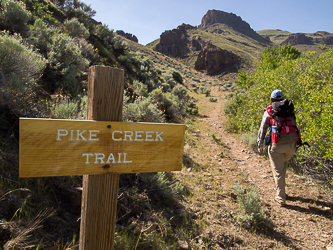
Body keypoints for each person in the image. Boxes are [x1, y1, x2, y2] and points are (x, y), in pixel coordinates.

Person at [257, 89, 299, 207]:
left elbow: (263, 130)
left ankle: (281, 198)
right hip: (292, 145)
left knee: (278, 171)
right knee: (282, 166)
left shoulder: (270, 112)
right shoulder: (289, 109)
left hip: (277, 146)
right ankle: (283, 191)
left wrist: (260, 146)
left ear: (271, 99)